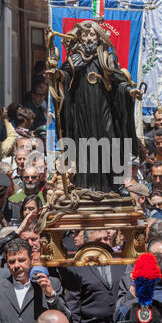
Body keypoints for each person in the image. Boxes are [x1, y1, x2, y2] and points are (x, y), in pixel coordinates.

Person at [46, 20, 142, 193]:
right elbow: (65, 74)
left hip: (103, 108)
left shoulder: (106, 58)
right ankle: (84, 185)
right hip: (82, 110)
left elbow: (119, 80)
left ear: (98, 36)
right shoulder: (74, 58)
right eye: (84, 35)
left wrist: (129, 92)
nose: (88, 38)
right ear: (80, 37)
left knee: (111, 142)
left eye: (92, 35)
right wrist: (57, 74)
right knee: (84, 146)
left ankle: (117, 184)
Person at [64, 229, 127, 323]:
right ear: (88, 244)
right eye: (99, 241)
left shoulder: (120, 262)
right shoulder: (78, 266)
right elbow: (73, 306)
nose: (105, 243)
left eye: (106, 239)